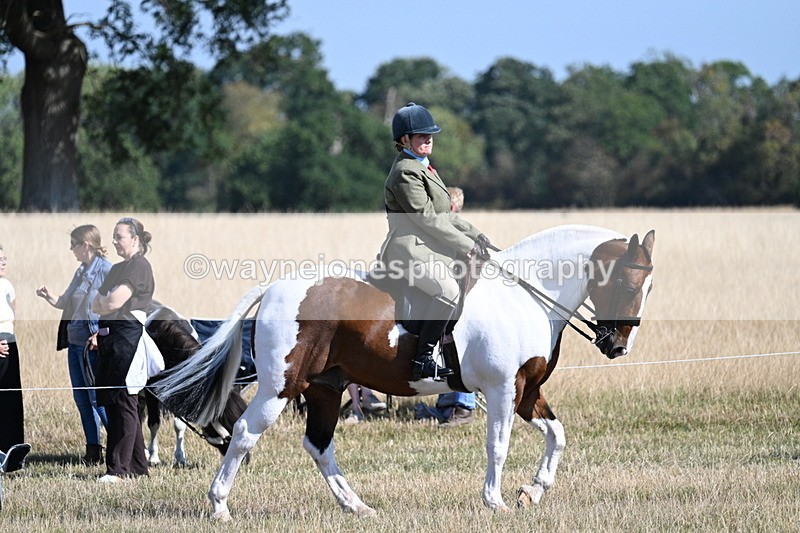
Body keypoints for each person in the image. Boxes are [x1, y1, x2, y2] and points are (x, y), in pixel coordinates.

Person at [379, 102, 488, 380]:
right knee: (448, 291)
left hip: (429, 247)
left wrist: (476, 235)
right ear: (404, 140)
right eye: (421, 135)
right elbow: (427, 218)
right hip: (409, 248)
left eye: (430, 135)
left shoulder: (423, 166)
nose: (428, 139)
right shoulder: (406, 171)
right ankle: (422, 359)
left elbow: (445, 214)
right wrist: (466, 246)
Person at [36, 225, 112, 465]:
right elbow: (65, 302)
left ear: (85, 245)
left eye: (74, 244)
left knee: (96, 399)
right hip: (75, 344)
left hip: (92, 346)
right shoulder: (81, 271)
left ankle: (122, 447)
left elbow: (115, 308)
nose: (71, 249)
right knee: (81, 399)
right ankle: (93, 450)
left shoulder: (107, 270)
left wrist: (100, 334)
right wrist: (49, 297)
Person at [91, 217, 155, 483]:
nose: (115, 241)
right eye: (114, 236)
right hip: (111, 340)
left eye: (120, 236)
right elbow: (96, 304)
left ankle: (118, 469)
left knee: (126, 402)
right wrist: (107, 302)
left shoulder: (140, 266)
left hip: (129, 340)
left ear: (135, 239)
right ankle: (138, 466)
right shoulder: (117, 269)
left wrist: (107, 301)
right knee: (116, 401)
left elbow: (114, 300)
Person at [0, 244, 26, 458]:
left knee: (11, 397)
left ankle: (11, 449)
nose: (3, 263)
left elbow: (13, 311)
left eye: (4, 258)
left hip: (9, 342)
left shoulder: (7, 285)